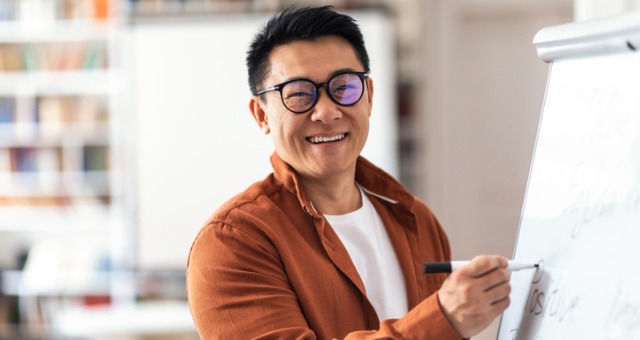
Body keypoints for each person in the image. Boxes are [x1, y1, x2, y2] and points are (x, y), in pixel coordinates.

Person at [186, 5, 511, 339]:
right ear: (262, 115)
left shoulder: (416, 220)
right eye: (298, 94)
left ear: (369, 97)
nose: (326, 112)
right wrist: (441, 321)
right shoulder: (233, 242)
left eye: (343, 87)